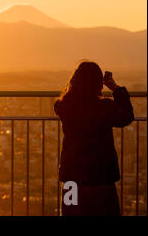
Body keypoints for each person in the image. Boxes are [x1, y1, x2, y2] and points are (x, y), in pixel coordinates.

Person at [54, 61, 134, 216]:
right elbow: (127, 117)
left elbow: (60, 103)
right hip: (101, 179)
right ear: (98, 83)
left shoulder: (65, 106)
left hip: (72, 180)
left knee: (71, 212)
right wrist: (115, 88)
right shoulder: (104, 107)